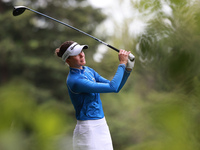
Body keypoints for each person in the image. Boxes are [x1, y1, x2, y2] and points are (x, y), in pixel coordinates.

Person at [55, 41, 135, 150]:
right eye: (77, 54)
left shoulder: (88, 70)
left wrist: (127, 70)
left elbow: (116, 87)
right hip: (88, 129)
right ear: (68, 60)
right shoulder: (75, 80)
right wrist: (121, 64)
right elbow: (113, 87)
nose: (82, 54)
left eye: (81, 51)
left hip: (101, 124)